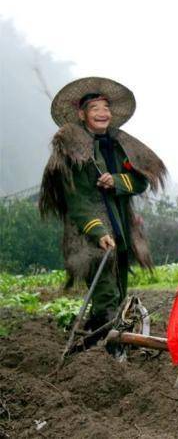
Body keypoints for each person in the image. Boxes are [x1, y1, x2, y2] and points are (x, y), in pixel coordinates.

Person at [39, 77, 167, 356]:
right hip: (89, 236)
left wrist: (118, 181)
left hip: (120, 230)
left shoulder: (119, 145)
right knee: (106, 296)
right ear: (82, 114)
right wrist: (98, 232)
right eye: (95, 107)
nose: (102, 112)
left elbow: (142, 181)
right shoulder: (71, 147)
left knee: (120, 292)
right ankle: (102, 355)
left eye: (106, 107)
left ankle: (104, 349)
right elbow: (77, 199)